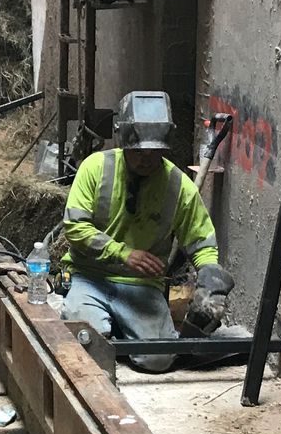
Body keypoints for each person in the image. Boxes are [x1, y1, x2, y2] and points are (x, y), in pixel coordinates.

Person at [59, 90, 228, 373]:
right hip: (90, 278)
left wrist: (209, 273)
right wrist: (122, 253)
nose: (147, 159)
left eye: (155, 151)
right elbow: (75, 227)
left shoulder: (179, 186)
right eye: (139, 152)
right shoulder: (95, 168)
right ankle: (106, 326)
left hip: (141, 286)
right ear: (124, 142)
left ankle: (123, 332)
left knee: (158, 360)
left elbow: (201, 241)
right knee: (84, 346)